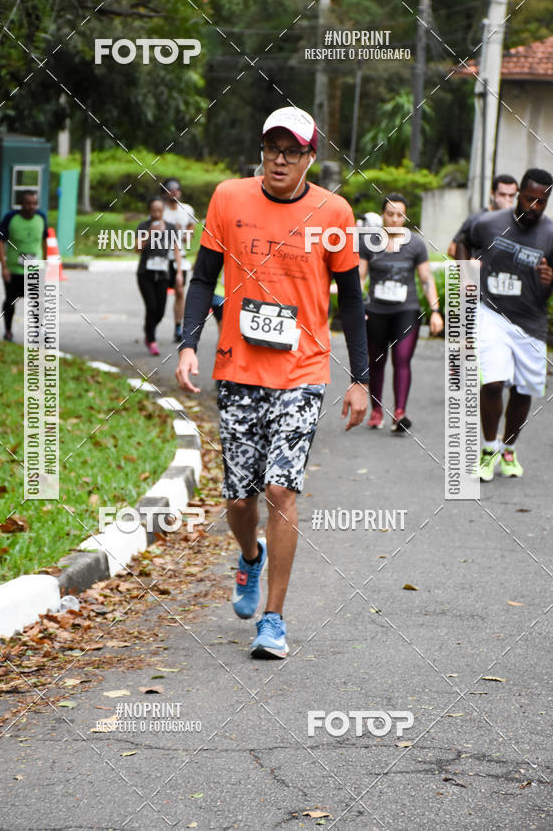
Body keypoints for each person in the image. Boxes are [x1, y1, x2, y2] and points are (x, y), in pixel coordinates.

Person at [176, 106, 369, 659]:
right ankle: (250, 555)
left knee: (281, 488)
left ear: (311, 158)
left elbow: (352, 301)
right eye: (272, 148)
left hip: (303, 370)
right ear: (262, 151)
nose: (280, 159)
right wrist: (189, 343)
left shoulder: (333, 212)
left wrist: (360, 378)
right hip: (238, 368)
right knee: (239, 499)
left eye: (292, 151)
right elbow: (203, 278)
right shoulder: (228, 198)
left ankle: (274, 620)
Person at [471, 168, 553, 481]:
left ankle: (508, 448)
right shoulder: (489, 223)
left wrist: (550, 279)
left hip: (530, 322)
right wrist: (468, 280)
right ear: (519, 193)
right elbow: (464, 242)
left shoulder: (550, 234)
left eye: (541, 202)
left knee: (523, 389)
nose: (534, 206)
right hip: (492, 313)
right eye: (529, 198)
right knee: (492, 382)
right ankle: (488, 448)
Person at [359, 193, 444, 432]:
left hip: (406, 310)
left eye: (400, 215)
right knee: (376, 361)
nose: (395, 219)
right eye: (390, 214)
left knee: (402, 359)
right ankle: (376, 410)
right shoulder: (369, 242)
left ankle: (400, 412)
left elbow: (426, 279)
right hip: (376, 310)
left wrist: (436, 310)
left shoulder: (415, 243)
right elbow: (360, 277)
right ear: (383, 215)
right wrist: (355, 307)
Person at [0, 191, 48, 341]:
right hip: (13, 269)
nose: (31, 207)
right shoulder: (11, 218)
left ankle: (36, 330)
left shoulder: (41, 217)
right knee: (11, 300)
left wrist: (45, 261)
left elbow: (44, 239)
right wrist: (3, 267)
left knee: (35, 299)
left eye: (34, 203)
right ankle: (8, 331)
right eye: (28, 203)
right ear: (21, 204)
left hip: (33, 268)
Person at [136, 197, 181, 355]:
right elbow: (137, 248)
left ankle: (149, 329)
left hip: (163, 273)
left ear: (163, 211)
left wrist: (179, 273)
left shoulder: (170, 227)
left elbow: (176, 250)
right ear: (150, 211)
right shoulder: (143, 226)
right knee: (151, 307)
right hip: (145, 274)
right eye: (153, 210)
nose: (156, 213)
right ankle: (152, 339)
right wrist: (149, 234)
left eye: (159, 210)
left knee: (160, 311)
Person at [450, 174, 518, 259]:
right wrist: (471, 263)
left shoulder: (516, 221)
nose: (507, 199)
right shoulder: (477, 218)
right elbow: (452, 249)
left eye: (511, 195)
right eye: (502, 194)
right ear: (492, 193)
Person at [161, 178, 196, 343]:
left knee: (180, 291)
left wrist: (185, 235)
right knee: (159, 293)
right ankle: (153, 324)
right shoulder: (160, 210)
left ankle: (178, 326)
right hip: (161, 258)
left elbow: (191, 228)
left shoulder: (187, 209)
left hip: (179, 258)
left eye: (177, 189)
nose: (174, 191)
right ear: (164, 192)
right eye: (170, 189)